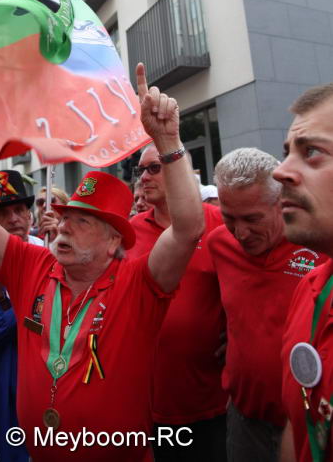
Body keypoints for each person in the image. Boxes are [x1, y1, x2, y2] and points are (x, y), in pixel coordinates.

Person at [0, 63, 203, 461]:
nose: (64, 227)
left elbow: (188, 230)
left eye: (82, 222)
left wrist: (168, 141)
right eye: (66, 217)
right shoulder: (32, 265)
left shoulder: (138, 284)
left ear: (113, 241)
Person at [208, 148, 326, 462]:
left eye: (252, 219)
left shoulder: (317, 244)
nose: (240, 233)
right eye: (229, 217)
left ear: (282, 200)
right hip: (245, 419)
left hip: (308, 422)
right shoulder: (219, 244)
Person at [129, 143, 227, 461]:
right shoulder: (129, 233)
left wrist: (240, 334)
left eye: (154, 168)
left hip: (210, 400)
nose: (144, 177)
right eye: (141, 170)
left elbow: (247, 285)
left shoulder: (218, 224)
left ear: (179, 170)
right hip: (147, 403)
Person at [273, 83, 333, 462]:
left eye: (312, 152)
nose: (280, 171)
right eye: (287, 153)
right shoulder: (311, 288)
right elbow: (298, 423)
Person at [0, 170, 44, 461]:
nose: (13, 219)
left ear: (30, 215)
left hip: (47, 387)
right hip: (0, 392)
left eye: (20, 209)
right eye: (2, 212)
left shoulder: (53, 256)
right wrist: (26, 309)